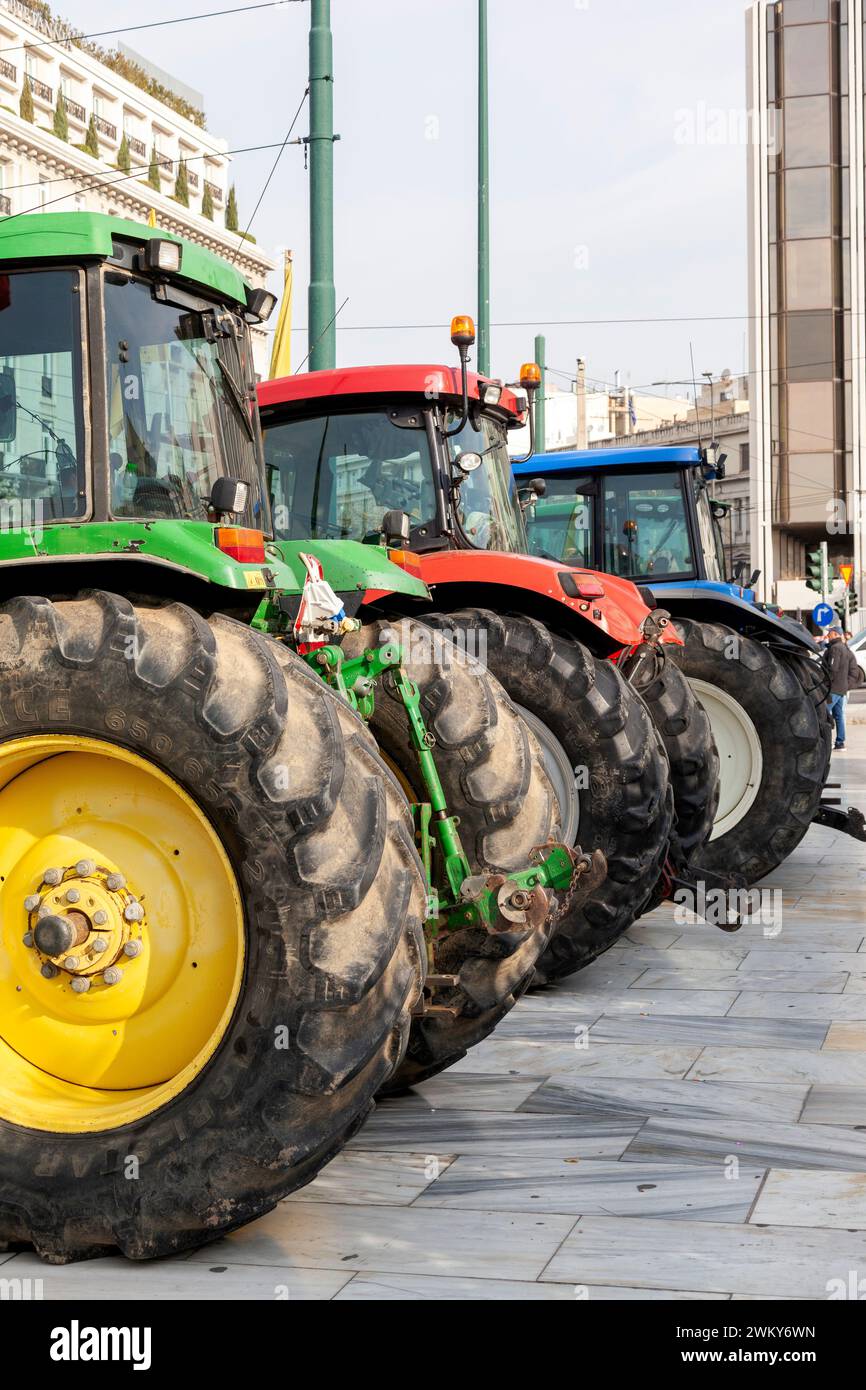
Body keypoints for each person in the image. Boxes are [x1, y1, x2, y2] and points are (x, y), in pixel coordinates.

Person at [824, 626, 864, 750]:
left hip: (833, 688)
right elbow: (853, 670)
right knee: (839, 715)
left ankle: (826, 741)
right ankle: (840, 743)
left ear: (835, 634)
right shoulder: (846, 649)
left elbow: (832, 669)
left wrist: (824, 684)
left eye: (829, 632)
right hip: (842, 689)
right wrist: (847, 685)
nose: (828, 634)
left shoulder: (835, 648)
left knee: (824, 714)